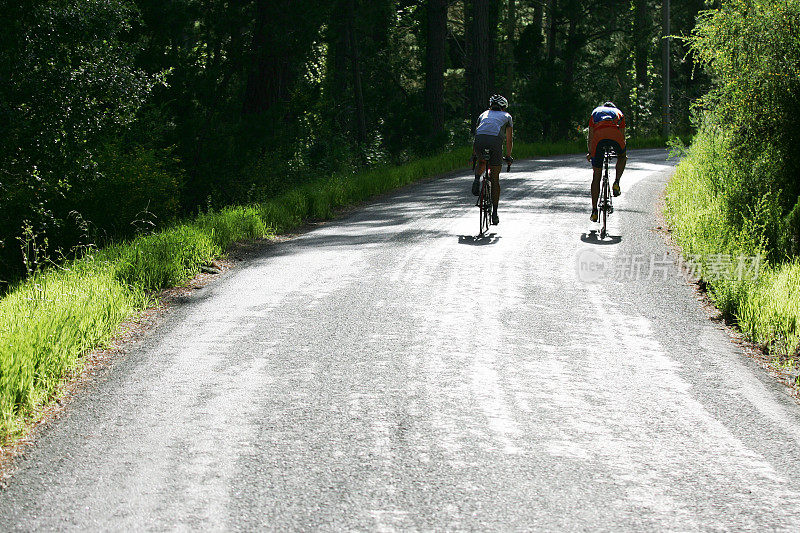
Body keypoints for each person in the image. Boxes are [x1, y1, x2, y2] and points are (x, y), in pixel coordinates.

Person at [472, 94, 513, 225]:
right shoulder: (507, 116)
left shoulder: (482, 114)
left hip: (479, 142)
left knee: (482, 161)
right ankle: (494, 213)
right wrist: (508, 155)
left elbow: (477, 133)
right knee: (495, 179)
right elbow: (509, 139)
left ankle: (477, 178)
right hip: (495, 143)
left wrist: (474, 154)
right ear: (503, 107)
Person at [586, 101, 627, 222]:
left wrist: (590, 152)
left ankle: (594, 211)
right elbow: (622, 136)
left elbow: (591, 136)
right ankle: (616, 182)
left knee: (596, 175)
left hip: (598, 139)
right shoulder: (619, 113)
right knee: (623, 157)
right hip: (615, 137)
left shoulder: (595, 112)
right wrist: (620, 152)